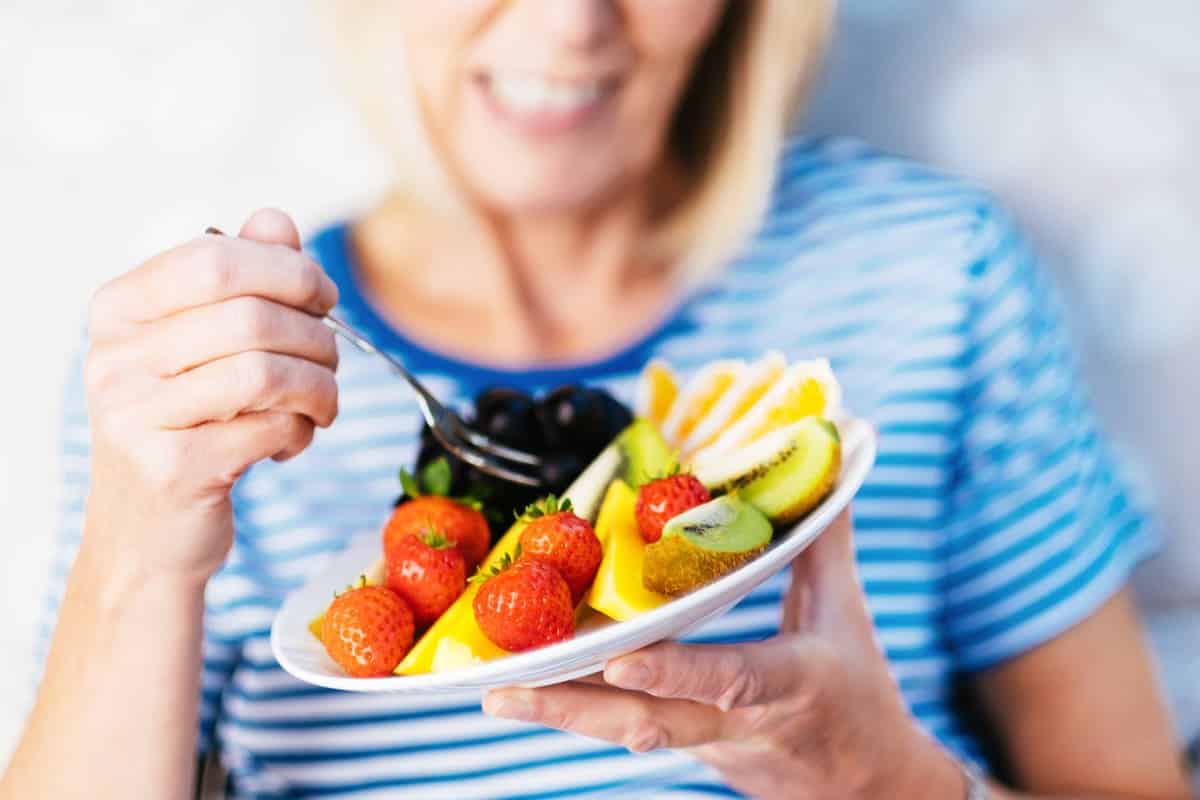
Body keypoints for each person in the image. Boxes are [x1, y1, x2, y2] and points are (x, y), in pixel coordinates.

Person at [2, 2, 1191, 798]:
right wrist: (142, 552)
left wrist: (883, 775)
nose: (573, 23)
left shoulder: (934, 270)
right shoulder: (211, 380)